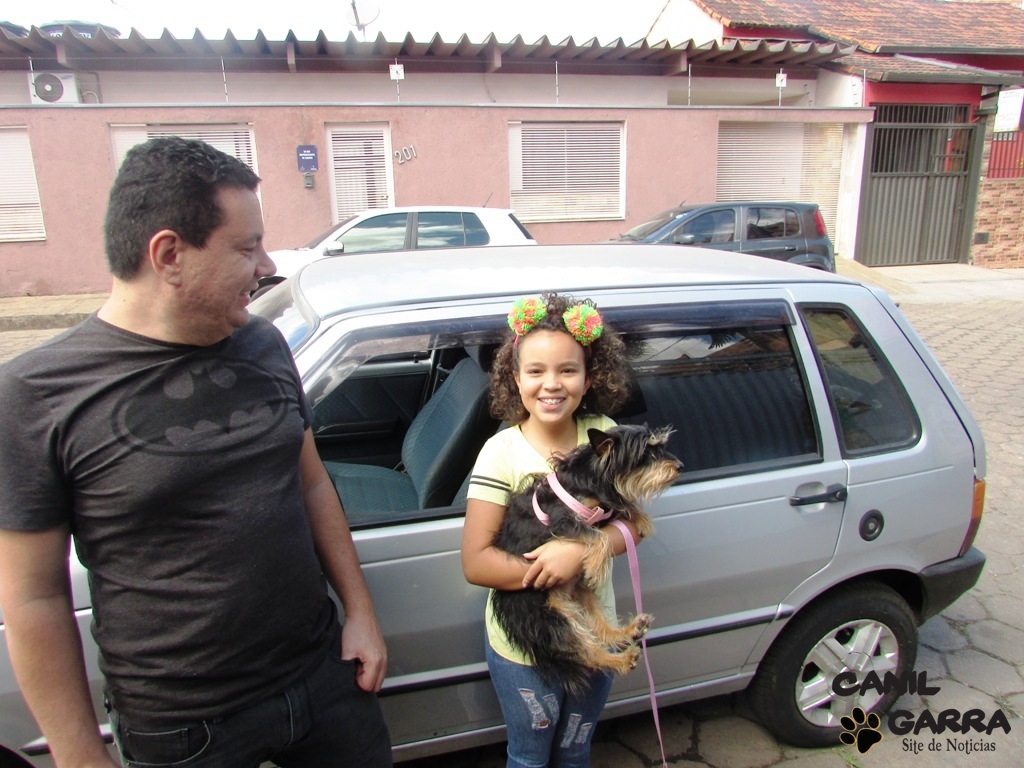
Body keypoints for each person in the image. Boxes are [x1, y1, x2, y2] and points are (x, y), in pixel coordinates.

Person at [0, 137, 392, 768]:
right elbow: (33, 597)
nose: (266, 264)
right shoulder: (37, 393)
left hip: (322, 677)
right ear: (169, 254)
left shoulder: (263, 344)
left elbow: (312, 484)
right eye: (245, 247)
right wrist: (78, 754)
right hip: (184, 726)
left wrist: (361, 613)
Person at [461, 292, 638, 768]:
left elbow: (632, 527)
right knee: (529, 757)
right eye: (536, 371)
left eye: (568, 370)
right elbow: (476, 563)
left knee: (575, 749)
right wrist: (552, 567)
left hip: (594, 633)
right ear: (515, 378)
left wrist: (580, 552)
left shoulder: (604, 435)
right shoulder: (502, 452)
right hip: (526, 646)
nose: (552, 384)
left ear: (589, 376)